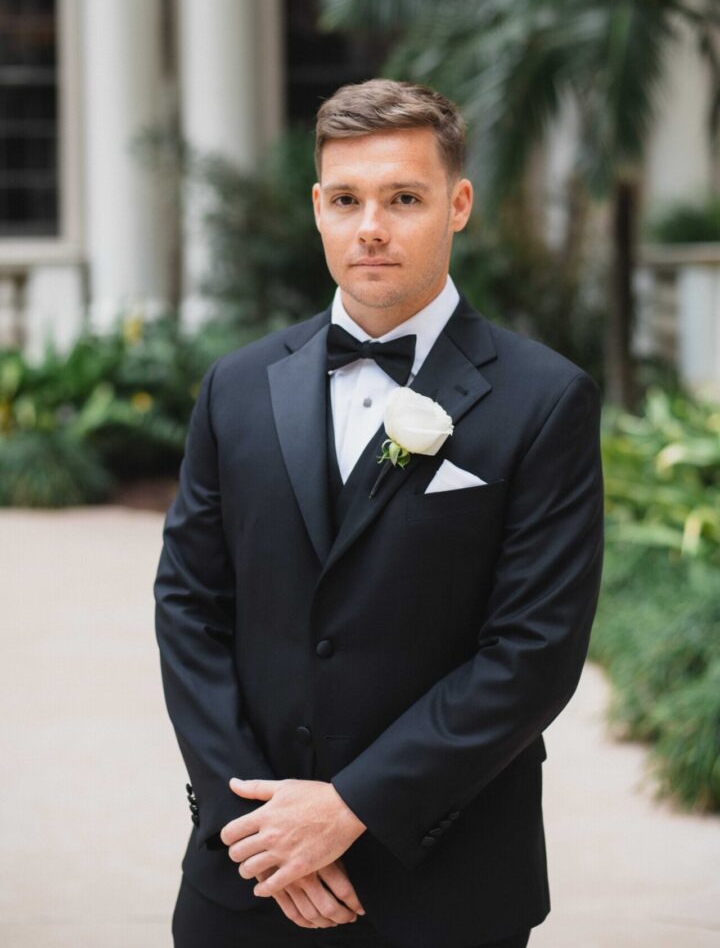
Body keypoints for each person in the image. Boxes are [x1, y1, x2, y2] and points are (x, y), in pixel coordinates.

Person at [154, 78, 604, 947]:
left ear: (458, 204)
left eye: (404, 198)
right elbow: (189, 610)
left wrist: (351, 809)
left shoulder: (546, 400)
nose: (372, 226)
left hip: (444, 882)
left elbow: (533, 653)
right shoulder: (236, 388)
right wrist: (257, 825)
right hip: (246, 872)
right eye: (349, 199)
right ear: (318, 208)